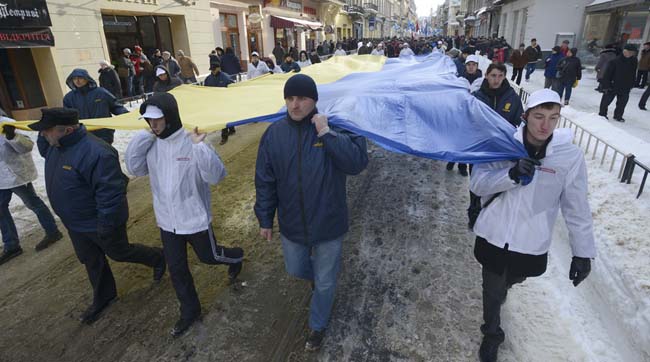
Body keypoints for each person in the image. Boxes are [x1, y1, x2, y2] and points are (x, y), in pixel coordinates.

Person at [470, 89, 595, 362]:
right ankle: (492, 333)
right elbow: (477, 184)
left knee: (510, 281)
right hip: (494, 234)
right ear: (525, 116)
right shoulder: (502, 144)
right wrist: (511, 175)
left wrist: (583, 252)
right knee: (492, 289)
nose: (545, 125)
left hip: (530, 242)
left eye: (553, 118)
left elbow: (576, 207)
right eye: (538, 116)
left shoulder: (569, 157)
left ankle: (506, 287)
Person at [255, 74, 368, 352]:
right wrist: (265, 217)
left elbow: (356, 163)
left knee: (326, 281)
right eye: (290, 99)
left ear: (314, 100)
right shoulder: (274, 134)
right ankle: (318, 285)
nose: (295, 105)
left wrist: (326, 134)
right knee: (296, 268)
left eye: (302, 98)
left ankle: (317, 326)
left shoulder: (335, 126)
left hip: (329, 221)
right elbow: (265, 179)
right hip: (292, 222)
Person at [29, 107, 166, 325]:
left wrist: (106, 225)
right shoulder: (57, 145)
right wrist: (42, 128)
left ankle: (158, 257)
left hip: (98, 222)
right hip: (75, 223)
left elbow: (111, 194)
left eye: (47, 130)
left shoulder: (97, 153)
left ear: (68, 129)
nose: (43, 134)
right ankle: (105, 296)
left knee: (119, 252)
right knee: (91, 260)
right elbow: (44, 144)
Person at [125, 93, 243, 337]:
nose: (153, 125)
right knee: (177, 269)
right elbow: (135, 168)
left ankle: (236, 257)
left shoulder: (191, 140)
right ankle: (190, 311)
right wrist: (143, 137)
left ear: (170, 116)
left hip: (193, 218)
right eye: (149, 120)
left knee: (209, 257)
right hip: (167, 221)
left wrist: (200, 147)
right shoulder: (152, 143)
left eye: (157, 120)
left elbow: (216, 176)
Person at [0, 110, 62, 265]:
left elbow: (27, 146)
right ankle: (12, 245)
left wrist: (12, 137)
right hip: (1, 177)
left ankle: (52, 231)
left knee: (32, 202)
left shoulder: (7, 122)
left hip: (16, 174)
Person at [63, 68, 128, 145]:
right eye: (74, 78)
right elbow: (67, 117)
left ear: (87, 79)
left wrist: (128, 116)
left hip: (104, 133)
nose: (77, 81)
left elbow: (116, 107)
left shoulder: (101, 92)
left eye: (80, 78)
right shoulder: (69, 98)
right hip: (83, 135)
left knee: (105, 154)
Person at [599, 44, 639, 122]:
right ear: (624, 51)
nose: (630, 54)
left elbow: (633, 73)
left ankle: (618, 115)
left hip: (625, 86)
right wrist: (606, 85)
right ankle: (602, 114)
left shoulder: (634, 61)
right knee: (606, 101)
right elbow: (607, 74)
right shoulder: (615, 61)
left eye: (632, 53)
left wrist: (632, 83)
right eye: (628, 52)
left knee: (622, 103)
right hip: (613, 85)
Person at [204, 62, 236, 144]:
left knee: (223, 118)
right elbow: (204, 89)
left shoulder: (225, 77)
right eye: (211, 70)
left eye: (214, 69)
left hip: (225, 101)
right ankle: (232, 129)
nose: (213, 71)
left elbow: (233, 86)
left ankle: (224, 137)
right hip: (215, 101)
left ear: (218, 68)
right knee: (225, 117)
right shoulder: (208, 79)